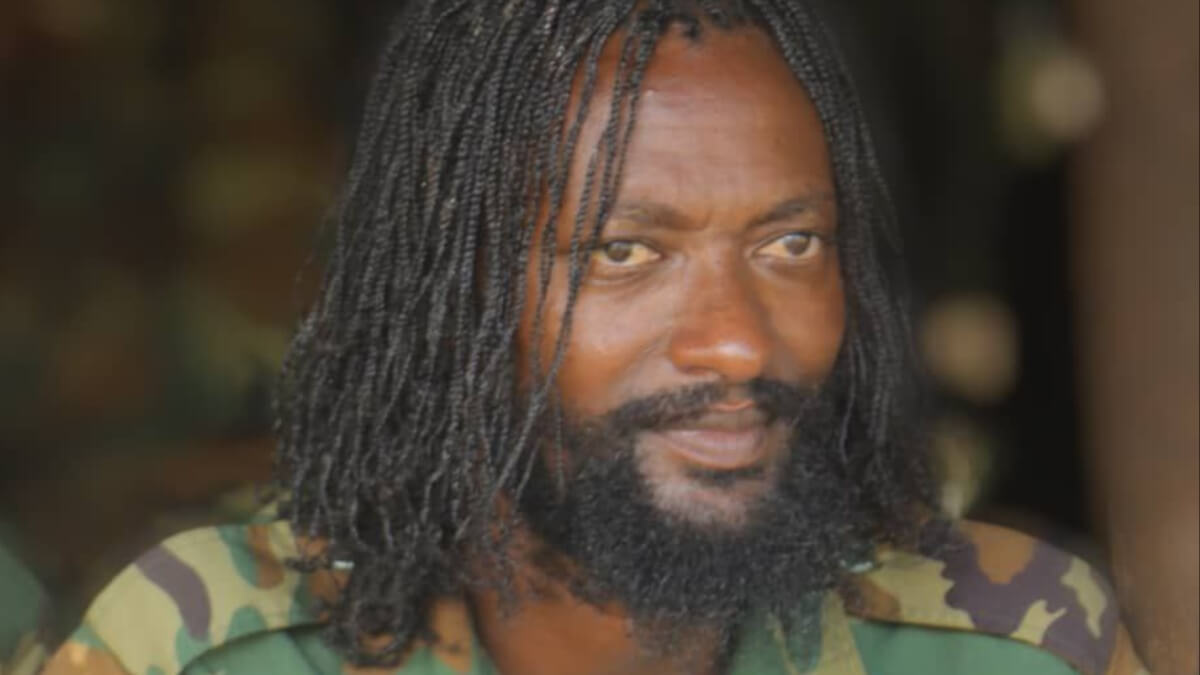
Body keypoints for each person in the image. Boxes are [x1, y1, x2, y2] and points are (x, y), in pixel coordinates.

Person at [42, 2, 1149, 673]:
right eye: (625, 252)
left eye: (790, 244)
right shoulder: (200, 646)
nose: (737, 346)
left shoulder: (1012, 640)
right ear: (455, 298)